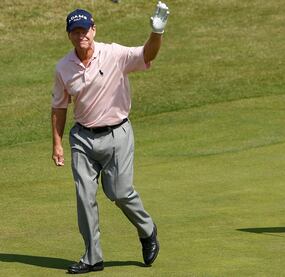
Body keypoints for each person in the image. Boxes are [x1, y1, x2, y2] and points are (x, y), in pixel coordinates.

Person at [51, 2, 169, 274]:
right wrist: (57, 143)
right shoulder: (63, 68)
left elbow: (146, 55)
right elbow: (59, 106)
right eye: (75, 31)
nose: (81, 35)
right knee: (84, 196)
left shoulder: (113, 54)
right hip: (82, 138)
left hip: (117, 134)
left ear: (94, 29)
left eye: (85, 29)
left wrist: (157, 33)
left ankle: (147, 229)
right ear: (69, 34)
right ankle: (93, 257)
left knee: (119, 193)